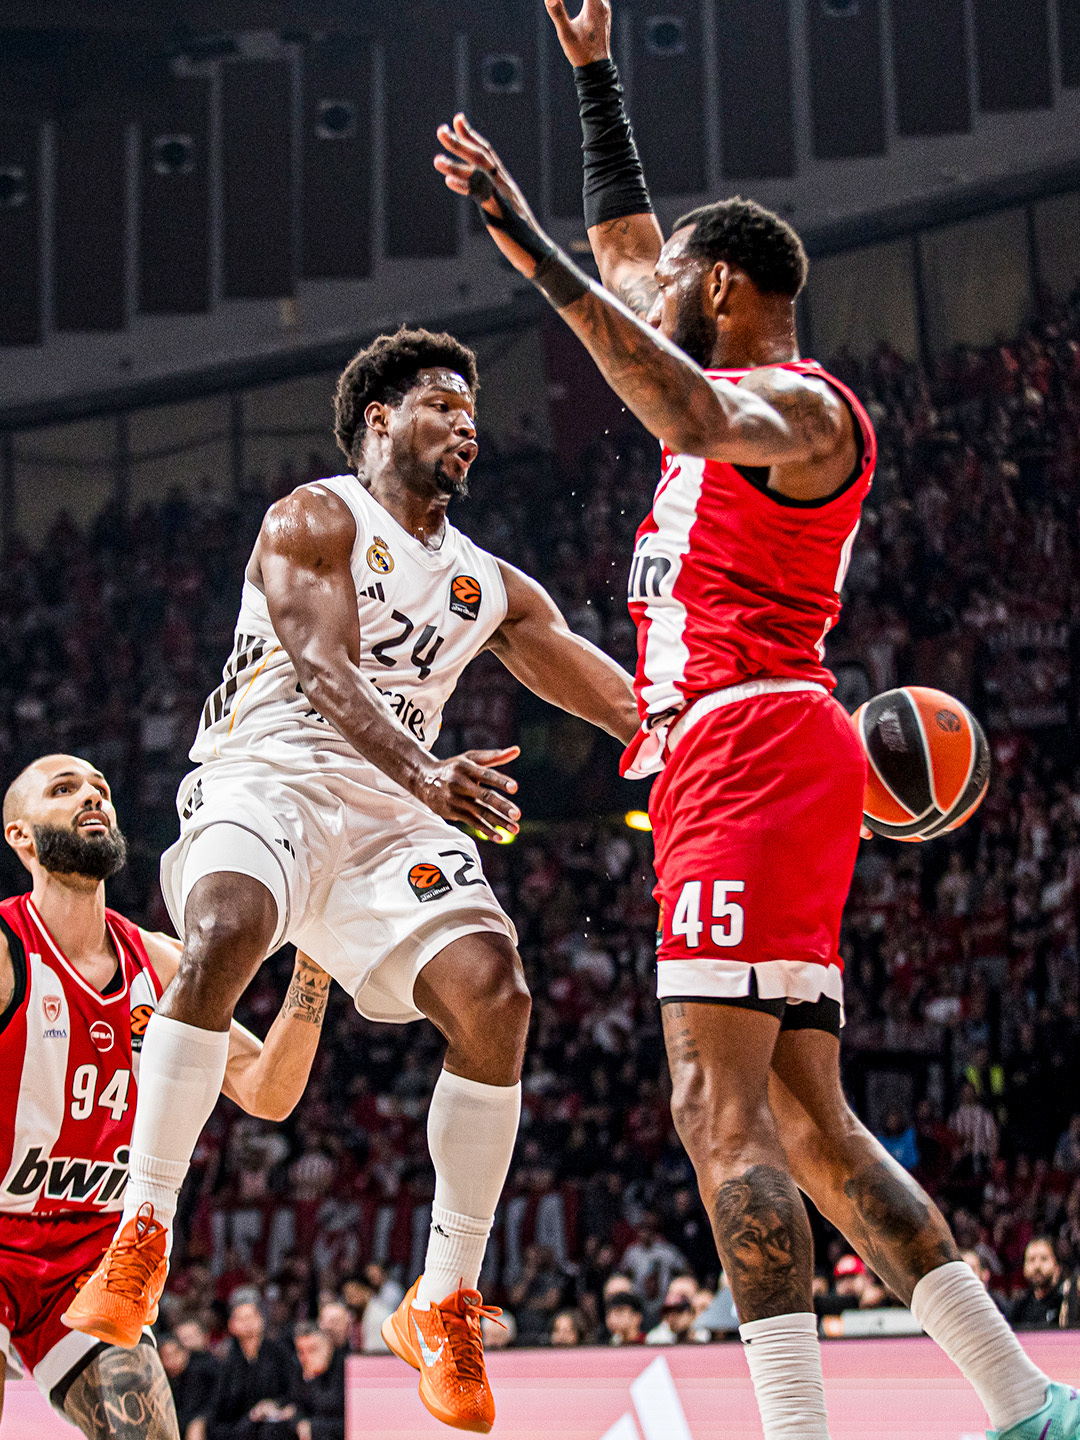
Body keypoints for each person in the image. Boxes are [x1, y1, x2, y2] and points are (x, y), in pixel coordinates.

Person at [431, 3, 1080, 1435]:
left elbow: (676, 408)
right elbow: (628, 255)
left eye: (669, 280)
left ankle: (795, 1428)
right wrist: (596, 79)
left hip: (750, 746)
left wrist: (528, 252)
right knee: (806, 1122)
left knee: (711, 1110)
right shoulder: (718, 347)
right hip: (739, 756)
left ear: (718, 286)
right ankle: (1027, 1402)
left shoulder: (798, 408)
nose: (642, 283)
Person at [68, 328, 639, 1435]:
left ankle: (443, 1296)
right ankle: (144, 1228)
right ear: (379, 419)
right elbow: (323, 666)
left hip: (387, 819)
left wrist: (712, 734)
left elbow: (618, 700)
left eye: (472, 405)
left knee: (497, 994)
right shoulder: (316, 515)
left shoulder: (486, 583)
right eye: (438, 401)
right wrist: (430, 767)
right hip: (268, 773)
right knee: (226, 924)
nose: (465, 419)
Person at [0, 753, 329, 1440]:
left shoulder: (161, 961)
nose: (92, 797)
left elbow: (268, 1090)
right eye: (64, 790)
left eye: (101, 788)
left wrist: (319, 962)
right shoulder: (7, 952)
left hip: (91, 1258)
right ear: (21, 836)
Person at [205, 1299, 295, 1440]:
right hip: (237, 1428)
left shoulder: (279, 1353)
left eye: (251, 1317)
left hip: (271, 1424)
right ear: (231, 1325)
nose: (247, 1322)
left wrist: (273, 1404)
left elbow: (294, 1391)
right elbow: (218, 1408)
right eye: (241, 1318)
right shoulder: (226, 1362)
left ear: (261, 1320)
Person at [160, 1331, 221, 1440]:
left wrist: (199, 1421)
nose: (172, 1360)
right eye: (166, 1357)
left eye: (175, 1354)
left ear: (185, 1353)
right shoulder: (160, 1380)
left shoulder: (201, 1371)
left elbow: (207, 1405)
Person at [290, 1324, 345, 1440]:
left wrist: (314, 1380)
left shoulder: (345, 1369)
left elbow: (338, 1415)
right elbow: (298, 1407)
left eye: (313, 1349)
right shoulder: (301, 1370)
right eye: (301, 1351)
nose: (306, 1357)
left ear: (329, 1346)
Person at [1009, 1238, 1064, 1330]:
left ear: (1057, 1266)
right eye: (1031, 1260)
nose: (1037, 1266)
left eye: (1044, 1259)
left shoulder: (1065, 1301)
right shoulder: (1019, 1307)